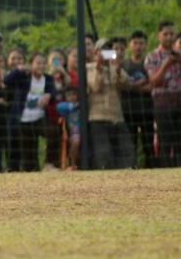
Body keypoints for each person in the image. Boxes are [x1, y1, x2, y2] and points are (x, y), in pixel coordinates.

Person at [87, 39, 135, 170]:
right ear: (96, 52)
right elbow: (96, 87)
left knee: (127, 151)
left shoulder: (116, 68)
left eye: (109, 50)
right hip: (97, 117)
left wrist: (118, 70)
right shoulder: (89, 68)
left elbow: (127, 85)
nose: (105, 53)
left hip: (117, 117)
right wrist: (98, 69)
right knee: (103, 153)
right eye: (103, 50)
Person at [5, 53, 53, 172]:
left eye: (43, 63)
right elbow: (7, 80)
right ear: (31, 65)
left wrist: (49, 94)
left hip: (40, 118)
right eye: (38, 63)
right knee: (29, 154)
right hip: (24, 120)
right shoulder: (23, 76)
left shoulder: (48, 78)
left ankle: (49, 163)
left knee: (53, 132)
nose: (41, 66)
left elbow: (53, 91)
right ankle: (32, 173)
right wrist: (18, 69)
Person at [145, 21, 181, 167]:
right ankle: (166, 170)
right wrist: (166, 64)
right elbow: (154, 81)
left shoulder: (180, 54)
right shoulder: (152, 56)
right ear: (158, 35)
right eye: (165, 34)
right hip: (162, 102)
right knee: (165, 139)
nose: (169, 37)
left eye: (172, 34)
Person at [123, 30, 155, 168]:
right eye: (135, 43)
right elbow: (121, 86)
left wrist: (133, 86)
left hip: (147, 109)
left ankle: (151, 166)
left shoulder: (150, 63)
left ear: (146, 45)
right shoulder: (124, 64)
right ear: (130, 45)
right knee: (131, 142)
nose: (138, 46)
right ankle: (132, 167)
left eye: (141, 43)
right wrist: (139, 85)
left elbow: (152, 85)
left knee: (148, 141)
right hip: (128, 110)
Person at [56, 88, 81, 170]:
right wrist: (75, 105)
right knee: (76, 141)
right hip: (74, 128)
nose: (72, 97)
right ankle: (72, 164)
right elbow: (58, 107)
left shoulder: (83, 103)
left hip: (86, 127)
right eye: (69, 95)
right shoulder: (65, 106)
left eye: (74, 94)